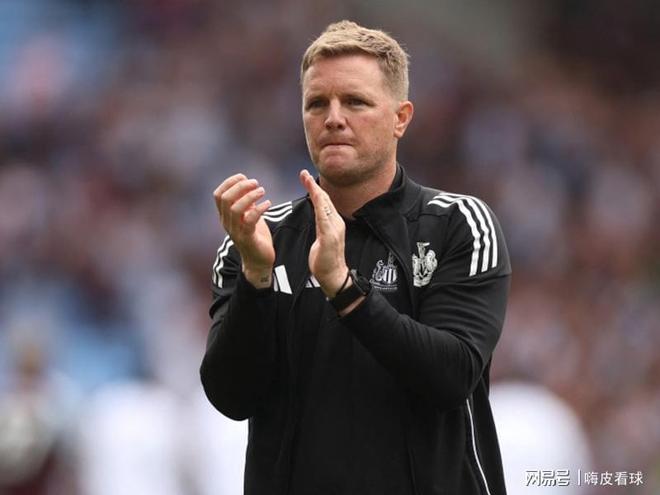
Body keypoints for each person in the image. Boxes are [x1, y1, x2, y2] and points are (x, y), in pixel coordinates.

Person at [201, 20, 511, 495]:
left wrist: (345, 290)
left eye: (355, 102)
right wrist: (256, 277)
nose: (333, 118)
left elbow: (451, 377)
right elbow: (231, 397)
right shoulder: (258, 240)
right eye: (316, 103)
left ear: (400, 118)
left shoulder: (459, 223)